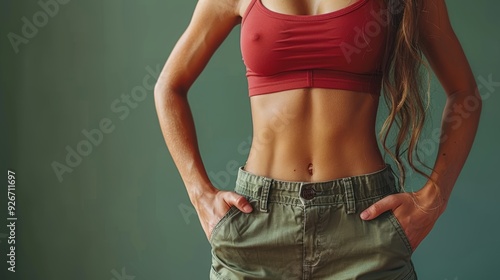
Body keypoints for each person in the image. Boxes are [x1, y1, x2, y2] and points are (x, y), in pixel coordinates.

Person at [154, 0, 481, 279]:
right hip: (257, 223)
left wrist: (433, 198)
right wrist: (199, 194)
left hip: (364, 225)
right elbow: (168, 87)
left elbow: (464, 93)